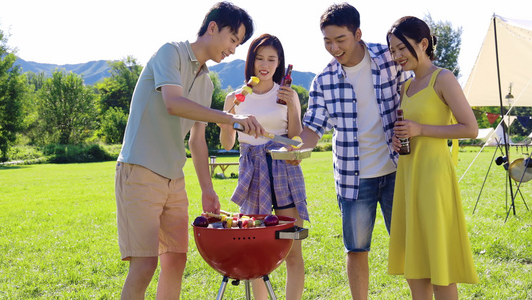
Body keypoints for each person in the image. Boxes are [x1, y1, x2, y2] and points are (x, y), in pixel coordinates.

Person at [114, 2, 264, 299]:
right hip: (139, 171)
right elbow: (173, 103)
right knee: (145, 265)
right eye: (233, 39)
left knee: (175, 260)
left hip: (175, 180)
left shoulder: (206, 82)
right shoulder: (170, 52)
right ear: (212, 27)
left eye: (238, 43)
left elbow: (197, 140)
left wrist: (207, 190)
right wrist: (231, 119)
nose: (234, 49)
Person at [291, 3, 411, 299]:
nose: (333, 48)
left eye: (340, 40)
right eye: (327, 41)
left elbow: (412, 94)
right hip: (354, 179)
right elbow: (312, 130)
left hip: (399, 169)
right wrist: (293, 146)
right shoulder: (324, 81)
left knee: (409, 245)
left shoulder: (388, 58)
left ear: (358, 33)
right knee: (356, 249)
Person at [386, 16, 479, 299]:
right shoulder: (405, 87)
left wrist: (420, 129)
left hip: (434, 178)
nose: (397, 56)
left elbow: (470, 128)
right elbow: (409, 131)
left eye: (402, 48)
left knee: (440, 269)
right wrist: (398, 138)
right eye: (393, 51)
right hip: (409, 177)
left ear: (423, 43)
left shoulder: (444, 78)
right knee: (415, 271)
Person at [219, 33, 308, 300]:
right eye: (260, 58)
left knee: (292, 247)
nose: (265, 64)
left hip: (283, 167)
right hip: (252, 169)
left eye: (271, 58)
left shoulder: (286, 94)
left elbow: (295, 142)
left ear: (279, 62)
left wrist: (294, 104)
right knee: (256, 246)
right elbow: (226, 144)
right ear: (252, 61)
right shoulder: (234, 97)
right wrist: (227, 117)